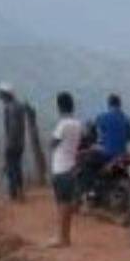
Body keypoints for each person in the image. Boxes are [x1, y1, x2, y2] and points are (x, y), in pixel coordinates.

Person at [48, 91, 83, 248]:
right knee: (67, 204)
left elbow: (52, 144)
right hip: (72, 166)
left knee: (61, 204)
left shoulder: (62, 125)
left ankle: (61, 238)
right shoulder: (77, 124)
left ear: (60, 107)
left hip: (60, 168)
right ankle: (66, 237)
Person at [0, 82, 27, 201]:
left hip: (13, 143)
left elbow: (13, 127)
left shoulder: (11, 108)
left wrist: (9, 143)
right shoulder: (18, 106)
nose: (0, 97)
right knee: (17, 166)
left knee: (12, 168)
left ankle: (13, 193)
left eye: (1, 94)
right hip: (20, 142)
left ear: (6, 95)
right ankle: (19, 191)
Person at [94, 93, 130, 159]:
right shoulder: (127, 119)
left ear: (109, 104)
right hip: (122, 153)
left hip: (106, 153)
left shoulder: (102, 117)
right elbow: (128, 139)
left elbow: (97, 133)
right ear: (120, 105)